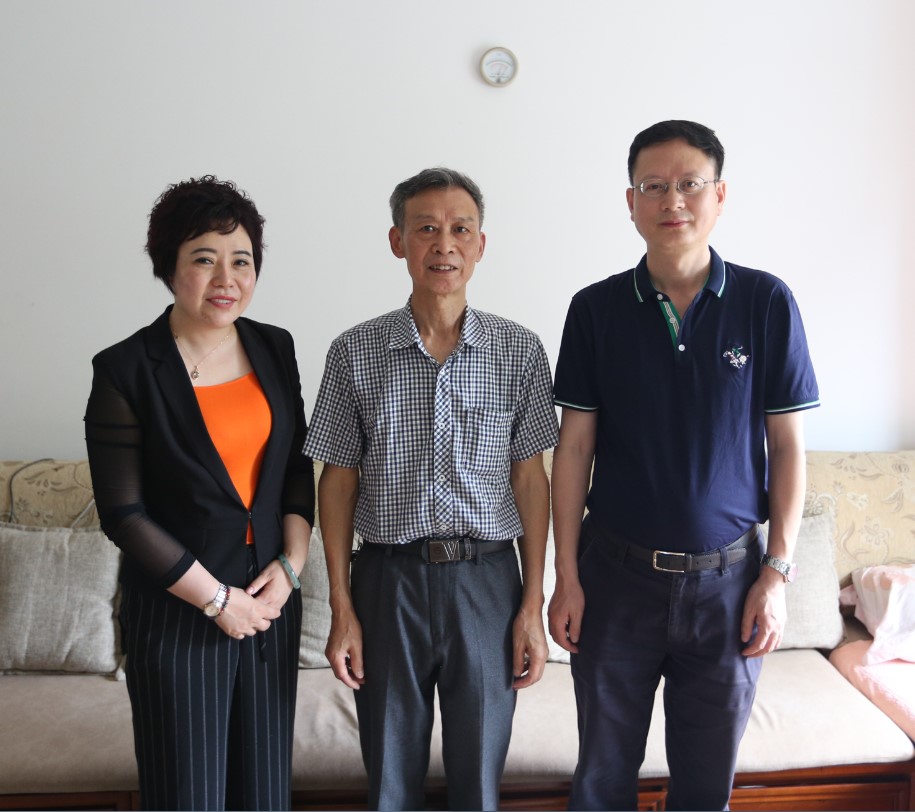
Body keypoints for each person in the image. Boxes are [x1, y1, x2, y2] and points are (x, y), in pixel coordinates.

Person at [548, 121, 820, 811]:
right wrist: (566, 576)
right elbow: (573, 449)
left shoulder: (765, 302)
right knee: (601, 780)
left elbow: (788, 448)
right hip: (615, 582)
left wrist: (776, 574)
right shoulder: (595, 309)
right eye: (654, 186)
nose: (672, 200)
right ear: (631, 202)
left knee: (704, 789)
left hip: (728, 586)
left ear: (719, 195)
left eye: (690, 184)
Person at [303, 167, 559, 811]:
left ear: (480, 245)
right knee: (389, 782)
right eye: (426, 229)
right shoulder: (354, 351)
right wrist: (341, 605)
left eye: (460, 229)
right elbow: (337, 481)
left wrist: (531, 605)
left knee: (479, 782)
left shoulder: (519, 351)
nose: (444, 244)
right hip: (388, 582)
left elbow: (531, 480)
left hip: (487, 582)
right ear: (398, 241)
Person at [84, 176, 315, 811]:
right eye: (204, 259)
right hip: (179, 611)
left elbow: (295, 471)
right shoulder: (126, 368)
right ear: (169, 267)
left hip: (269, 605)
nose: (226, 278)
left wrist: (291, 568)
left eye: (242, 260)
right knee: (188, 796)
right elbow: (124, 515)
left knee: (264, 794)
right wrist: (217, 601)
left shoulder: (274, 346)